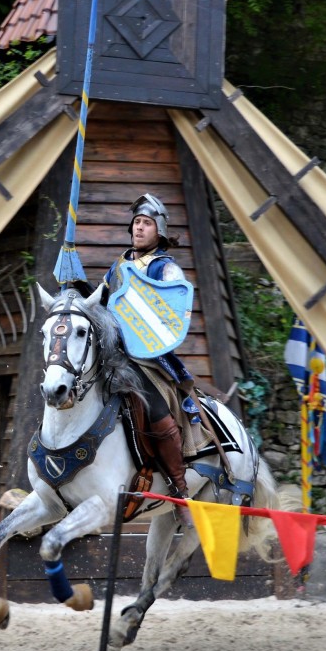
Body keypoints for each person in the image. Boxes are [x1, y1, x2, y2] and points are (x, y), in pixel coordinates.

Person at [103, 193, 194, 526]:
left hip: (147, 358)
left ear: (160, 230)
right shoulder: (119, 264)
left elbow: (171, 315)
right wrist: (75, 281)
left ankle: (180, 488)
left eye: (146, 223)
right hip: (112, 350)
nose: (139, 228)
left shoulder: (165, 268)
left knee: (155, 407)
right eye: (137, 223)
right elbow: (102, 302)